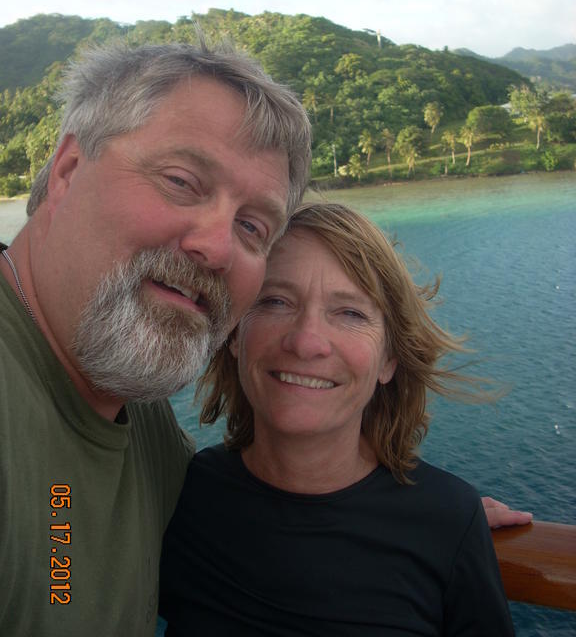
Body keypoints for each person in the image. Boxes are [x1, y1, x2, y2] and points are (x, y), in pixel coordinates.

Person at [0, 41, 311, 637]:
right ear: (67, 171)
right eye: (180, 182)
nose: (217, 248)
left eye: (253, 226)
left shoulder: (137, 419)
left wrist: (400, 511)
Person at [159, 202, 516, 636]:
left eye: (350, 313)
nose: (307, 341)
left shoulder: (447, 521)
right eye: (274, 301)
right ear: (235, 334)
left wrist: (451, 523)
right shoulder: (183, 496)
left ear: (389, 359)